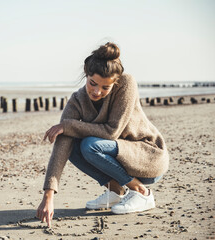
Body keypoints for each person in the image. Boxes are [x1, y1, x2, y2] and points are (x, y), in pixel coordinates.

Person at [36, 42, 169, 227]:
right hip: (121, 159)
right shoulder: (77, 101)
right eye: (93, 83)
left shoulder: (126, 83)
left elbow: (111, 131)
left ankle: (141, 193)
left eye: (105, 87)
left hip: (147, 156)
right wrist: (49, 195)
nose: (97, 91)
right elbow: (61, 146)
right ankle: (115, 191)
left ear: (115, 83)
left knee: (89, 145)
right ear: (86, 74)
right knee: (71, 145)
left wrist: (68, 125)